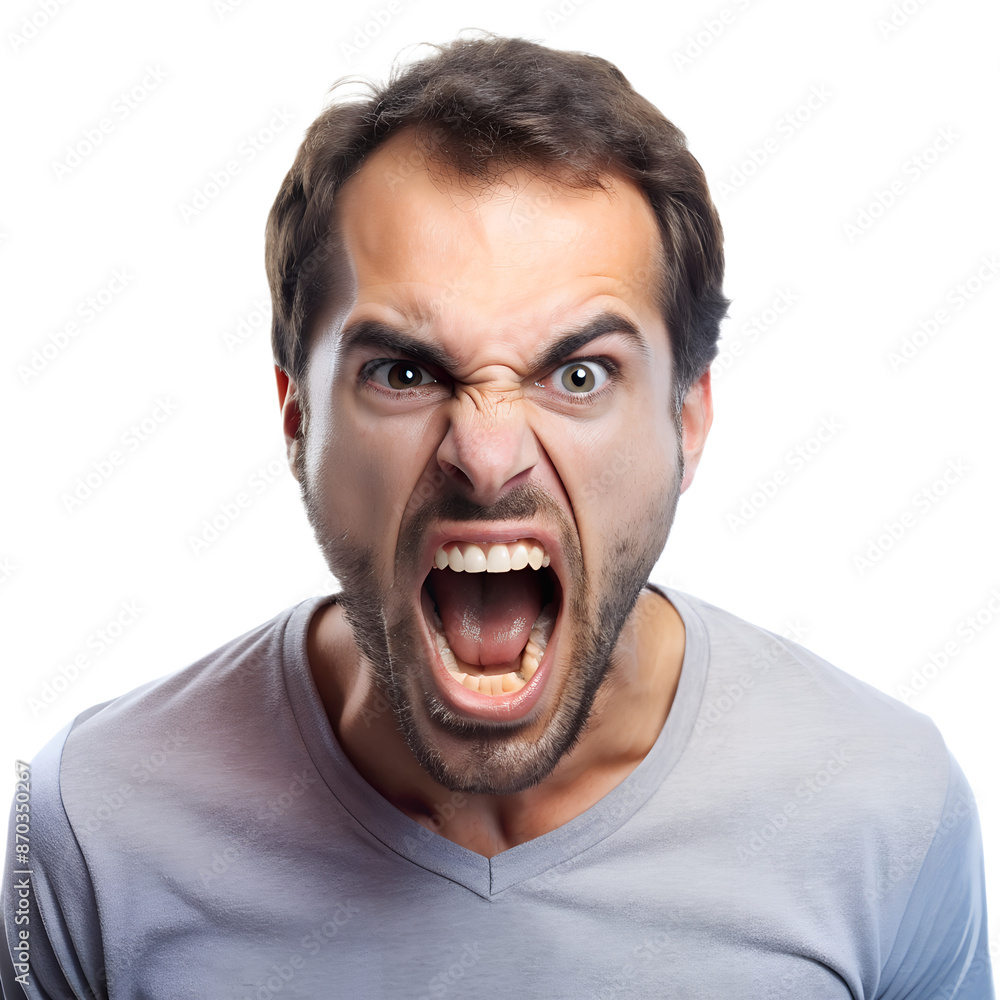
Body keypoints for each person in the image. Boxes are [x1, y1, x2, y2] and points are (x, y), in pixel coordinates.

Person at [2, 34, 993, 1000]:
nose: (485, 456)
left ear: (687, 417)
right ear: (296, 416)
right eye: (401, 371)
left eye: (577, 372)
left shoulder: (884, 807)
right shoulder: (93, 825)